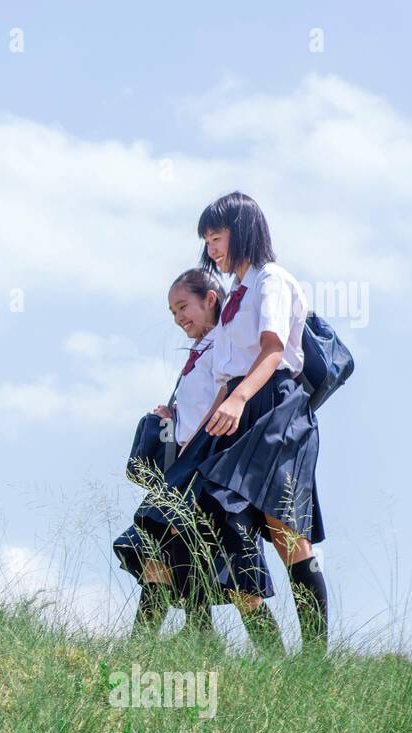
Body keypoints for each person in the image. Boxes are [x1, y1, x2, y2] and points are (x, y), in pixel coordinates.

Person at [192, 191, 330, 652]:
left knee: (285, 530)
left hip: (274, 405)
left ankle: (313, 660)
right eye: (207, 240)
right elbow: (225, 372)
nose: (212, 249)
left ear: (243, 230)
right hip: (240, 405)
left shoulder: (273, 280)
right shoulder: (236, 293)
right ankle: (271, 654)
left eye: (217, 237)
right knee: (220, 517)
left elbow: (273, 352)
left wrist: (239, 400)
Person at [115, 269, 280, 649]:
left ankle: (281, 665)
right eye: (172, 312)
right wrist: (172, 418)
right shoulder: (201, 350)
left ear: (210, 298)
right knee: (158, 555)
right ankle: (140, 652)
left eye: (183, 306)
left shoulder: (226, 342)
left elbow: (226, 396)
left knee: (240, 582)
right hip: (186, 470)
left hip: (213, 470)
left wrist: (198, 438)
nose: (178, 318)